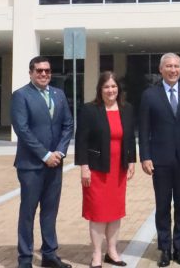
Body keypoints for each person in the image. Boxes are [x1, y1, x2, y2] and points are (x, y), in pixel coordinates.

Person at [139, 53, 180, 267]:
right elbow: (144, 129)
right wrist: (145, 157)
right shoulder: (150, 95)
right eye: (168, 66)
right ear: (161, 69)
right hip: (160, 159)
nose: (173, 70)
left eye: (176, 66)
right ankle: (165, 249)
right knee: (162, 206)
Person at [11, 56, 74, 268]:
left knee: (50, 211)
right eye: (39, 70)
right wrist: (45, 155)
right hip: (31, 166)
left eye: (47, 70)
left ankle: (49, 254)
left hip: (55, 164)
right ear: (31, 72)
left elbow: (68, 125)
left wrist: (60, 152)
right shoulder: (21, 95)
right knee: (28, 213)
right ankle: (25, 258)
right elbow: (22, 129)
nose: (44, 74)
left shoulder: (59, 94)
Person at [75, 71, 136, 268]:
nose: (111, 90)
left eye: (114, 86)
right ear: (100, 89)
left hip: (118, 169)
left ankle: (112, 251)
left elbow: (130, 138)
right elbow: (81, 140)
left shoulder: (127, 109)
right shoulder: (89, 110)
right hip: (97, 169)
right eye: (106, 87)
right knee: (98, 212)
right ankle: (96, 254)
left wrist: (132, 161)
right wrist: (84, 167)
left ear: (119, 88)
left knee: (115, 212)